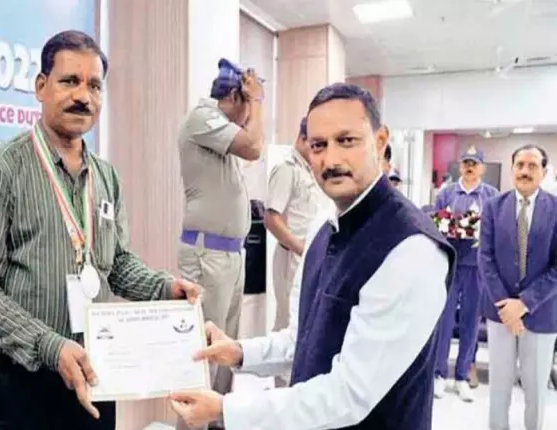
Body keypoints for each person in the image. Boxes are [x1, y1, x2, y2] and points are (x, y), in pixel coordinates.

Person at [168, 82, 455, 430]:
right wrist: (240, 352)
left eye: (346, 141)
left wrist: (226, 409)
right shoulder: (324, 228)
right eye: (319, 145)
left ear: (380, 141)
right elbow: (303, 340)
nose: (330, 160)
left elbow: (348, 395)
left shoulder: (411, 249)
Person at [0, 30, 199, 430]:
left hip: (95, 372)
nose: (83, 96)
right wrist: (50, 347)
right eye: (69, 81)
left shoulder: (106, 176)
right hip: (22, 385)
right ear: (41, 86)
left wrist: (164, 287)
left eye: (94, 86)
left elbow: (116, 264)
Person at [176, 58, 264, 430]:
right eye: (247, 105)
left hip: (228, 255)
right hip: (206, 255)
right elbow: (254, 146)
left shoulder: (220, 130)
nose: (249, 116)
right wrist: (256, 99)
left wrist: (251, 104)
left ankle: (217, 424)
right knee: (204, 356)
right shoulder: (202, 118)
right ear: (234, 97)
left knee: (226, 353)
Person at [479, 144, 557, 430]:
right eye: (520, 165)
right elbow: (485, 258)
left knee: (535, 393)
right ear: (512, 169)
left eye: (532, 165)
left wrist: (523, 304)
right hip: (499, 313)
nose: (525, 171)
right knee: (498, 390)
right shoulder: (493, 207)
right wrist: (507, 307)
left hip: (541, 314)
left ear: (544, 172)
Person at [432, 146, 498, 401]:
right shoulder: (447, 193)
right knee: (445, 320)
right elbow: (435, 225)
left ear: (482, 168)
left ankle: (461, 376)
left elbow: (494, 230)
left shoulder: (491, 196)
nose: (470, 167)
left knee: (470, 321)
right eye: (466, 163)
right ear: (460, 166)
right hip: (450, 265)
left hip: (476, 267)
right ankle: (439, 374)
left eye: (474, 163)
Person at [265, 117, 333, 334]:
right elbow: (271, 218)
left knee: (308, 321)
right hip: (292, 256)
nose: (319, 151)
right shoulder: (287, 169)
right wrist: (302, 249)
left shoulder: (313, 170)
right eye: (315, 144)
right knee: (289, 322)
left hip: (314, 254)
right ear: (303, 138)